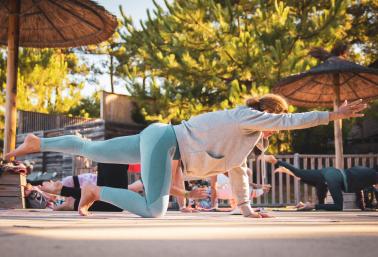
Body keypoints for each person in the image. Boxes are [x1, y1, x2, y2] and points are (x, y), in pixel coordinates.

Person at [5, 94, 367, 218]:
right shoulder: (246, 117)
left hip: (158, 136)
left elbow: (238, 170)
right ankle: (97, 192)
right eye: (274, 124)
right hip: (165, 141)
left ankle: (39, 142)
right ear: (268, 116)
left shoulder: (246, 138)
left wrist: (245, 209)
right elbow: (290, 120)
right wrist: (333, 115)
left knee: (91, 148)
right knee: (154, 209)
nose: (274, 132)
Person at [263, 155, 378, 211]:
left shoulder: (366, 173)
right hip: (335, 178)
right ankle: (311, 205)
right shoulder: (374, 176)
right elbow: (358, 185)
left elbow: (358, 187)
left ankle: (277, 162)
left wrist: (363, 207)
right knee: (338, 206)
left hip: (330, 172)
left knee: (302, 174)